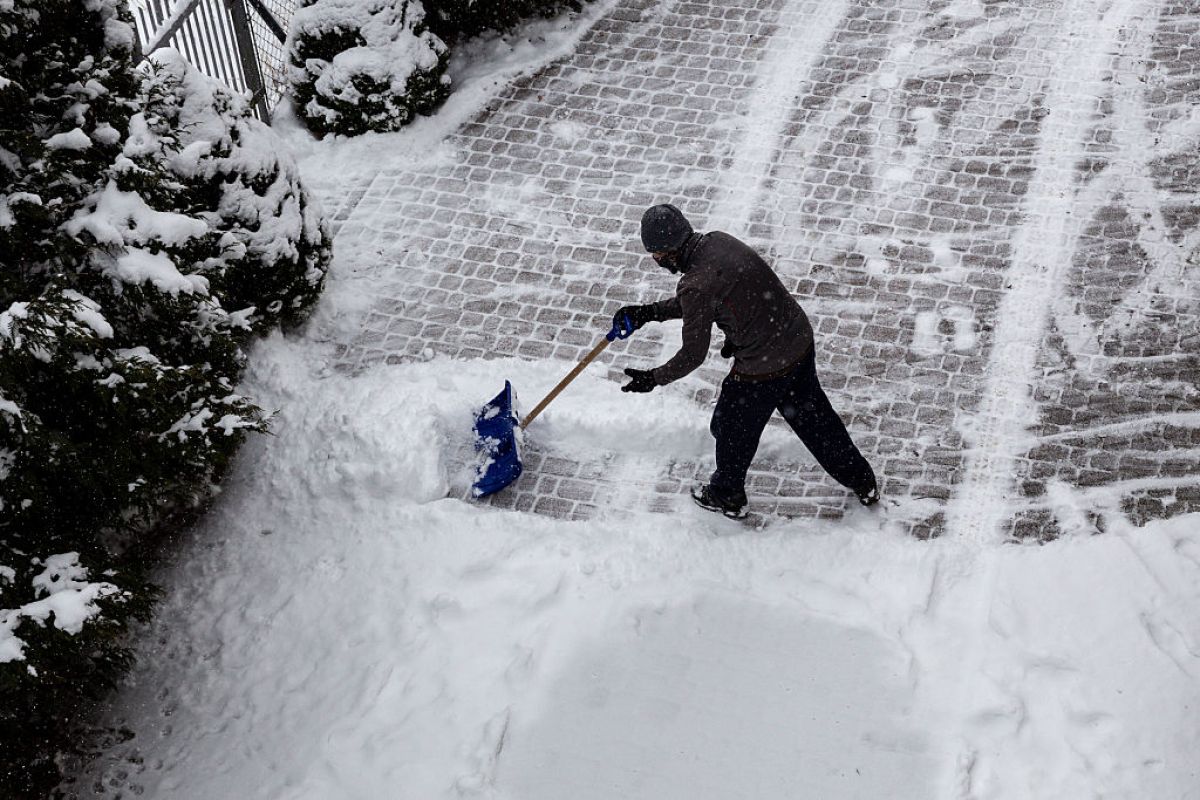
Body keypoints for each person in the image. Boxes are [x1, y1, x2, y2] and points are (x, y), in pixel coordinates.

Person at [609, 203, 879, 519]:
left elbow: (693, 353)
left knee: (729, 426)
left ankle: (727, 495)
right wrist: (650, 312)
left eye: (655, 255)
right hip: (796, 338)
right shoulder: (717, 241)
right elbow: (705, 299)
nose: (656, 261)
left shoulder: (695, 284)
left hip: (764, 365)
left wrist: (654, 377)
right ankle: (863, 482)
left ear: (668, 253)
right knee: (815, 421)